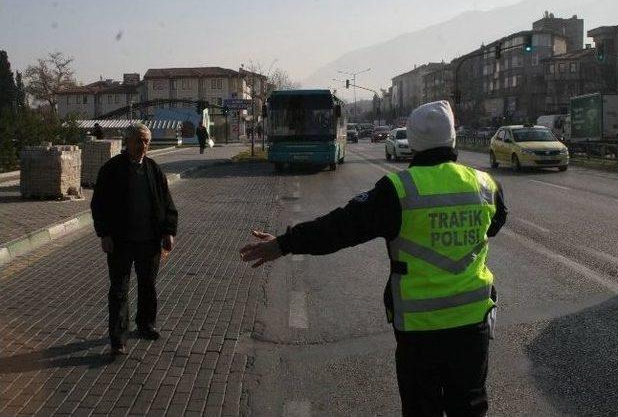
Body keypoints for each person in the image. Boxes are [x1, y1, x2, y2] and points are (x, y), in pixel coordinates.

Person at [240, 101, 507, 416]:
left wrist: (284, 244)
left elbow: (340, 228)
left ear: (415, 140)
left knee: (422, 408)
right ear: (452, 137)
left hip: (419, 327)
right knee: (470, 405)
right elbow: (494, 225)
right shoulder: (484, 184)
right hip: (472, 322)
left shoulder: (399, 189)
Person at [91, 123, 178, 358]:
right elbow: (98, 205)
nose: (143, 146)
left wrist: (169, 231)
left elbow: (167, 203)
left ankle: (145, 324)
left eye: (147, 141)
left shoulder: (153, 169)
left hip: (149, 241)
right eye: (138, 140)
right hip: (120, 241)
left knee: (147, 284)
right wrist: (104, 234)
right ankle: (118, 338)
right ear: (126, 142)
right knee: (119, 289)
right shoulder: (111, 170)